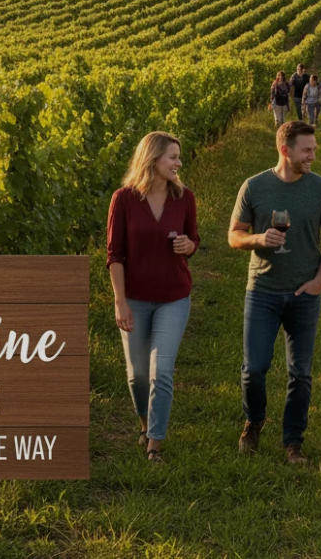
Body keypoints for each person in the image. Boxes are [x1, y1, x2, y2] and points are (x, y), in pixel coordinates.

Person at [228, 120, 321, 464]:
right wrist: (259, 239)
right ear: (285, 149)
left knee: (301, 373)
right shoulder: (254, 186)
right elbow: (234, 236)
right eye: (307, 150)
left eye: (314, 149)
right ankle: (255, 420)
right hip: (262, 290)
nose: (313, 156)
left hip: (304, 294)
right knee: (254, 368)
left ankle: (293, 441)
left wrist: (319, 280)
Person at [107, 131, 200, 464]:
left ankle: (154, 445)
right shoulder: (124, 199)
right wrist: (120, 301)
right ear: (152, 159)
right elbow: (114, 255)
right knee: (138, 375)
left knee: (162, 371)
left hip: (174, 296)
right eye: (172, 157)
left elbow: (194, 240)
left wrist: (189, 246)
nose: (178, 163)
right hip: (134, 298)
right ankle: (145, 425)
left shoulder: (184, 197)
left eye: (178, 157)